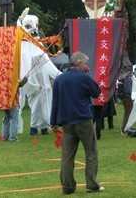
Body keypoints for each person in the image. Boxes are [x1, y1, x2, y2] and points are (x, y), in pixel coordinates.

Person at [50, 52, 104, 194]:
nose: (86, 65)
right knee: (91, 152)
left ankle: (67, 186)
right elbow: (96, 92)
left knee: (67, 156)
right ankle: (91, 184)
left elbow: (55, 102)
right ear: (79, 64)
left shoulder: (59, 79)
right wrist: (88, 76)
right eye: (85, 63)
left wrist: (53, 122)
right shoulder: (84, 78)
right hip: (84, 120)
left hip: (66, 122)